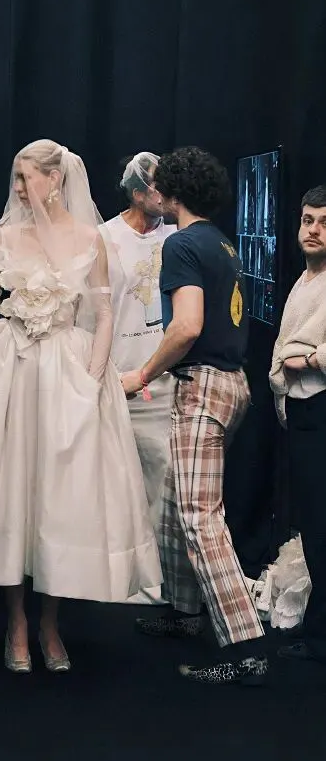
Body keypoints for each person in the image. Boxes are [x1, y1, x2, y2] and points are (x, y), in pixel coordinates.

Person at [0, 140, 160, 672]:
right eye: (17, 177)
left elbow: (103, 315)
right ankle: (17, 621)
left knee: (59, 497)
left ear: (55, 179)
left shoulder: (89, 239)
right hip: (13, 367)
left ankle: (49, 622)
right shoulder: (6, 235)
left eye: (27, 177)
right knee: (7, 493)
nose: (19, 187)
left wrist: (92, 378)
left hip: (65, 370)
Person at [124, 147, 267, 686]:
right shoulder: (222, 243)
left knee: (199, 518)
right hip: (232, 384)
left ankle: (247, 649)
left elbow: (186, 327)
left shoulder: (181, 243)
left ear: (172, 192)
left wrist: (141, 375)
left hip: (204, 386)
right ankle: (185, 612)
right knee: (174, 504)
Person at [101, 152, 175, 538]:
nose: (164, 194)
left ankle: (160, 563)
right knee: (115, 479)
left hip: (163, 375)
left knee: (163, 473)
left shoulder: (175, 236)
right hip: (117, 376)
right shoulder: (105, 237)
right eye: (156, 185)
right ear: (136, 191)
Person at [268, 185, 326, 669]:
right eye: (308, 220)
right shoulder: (305, 279)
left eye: (325, 223)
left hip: (321, 407)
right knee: (312, 522)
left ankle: (322, 637)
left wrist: (309, 360)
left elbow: (304, 353)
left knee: (322, 526)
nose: (314, 230)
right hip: (304, 412)